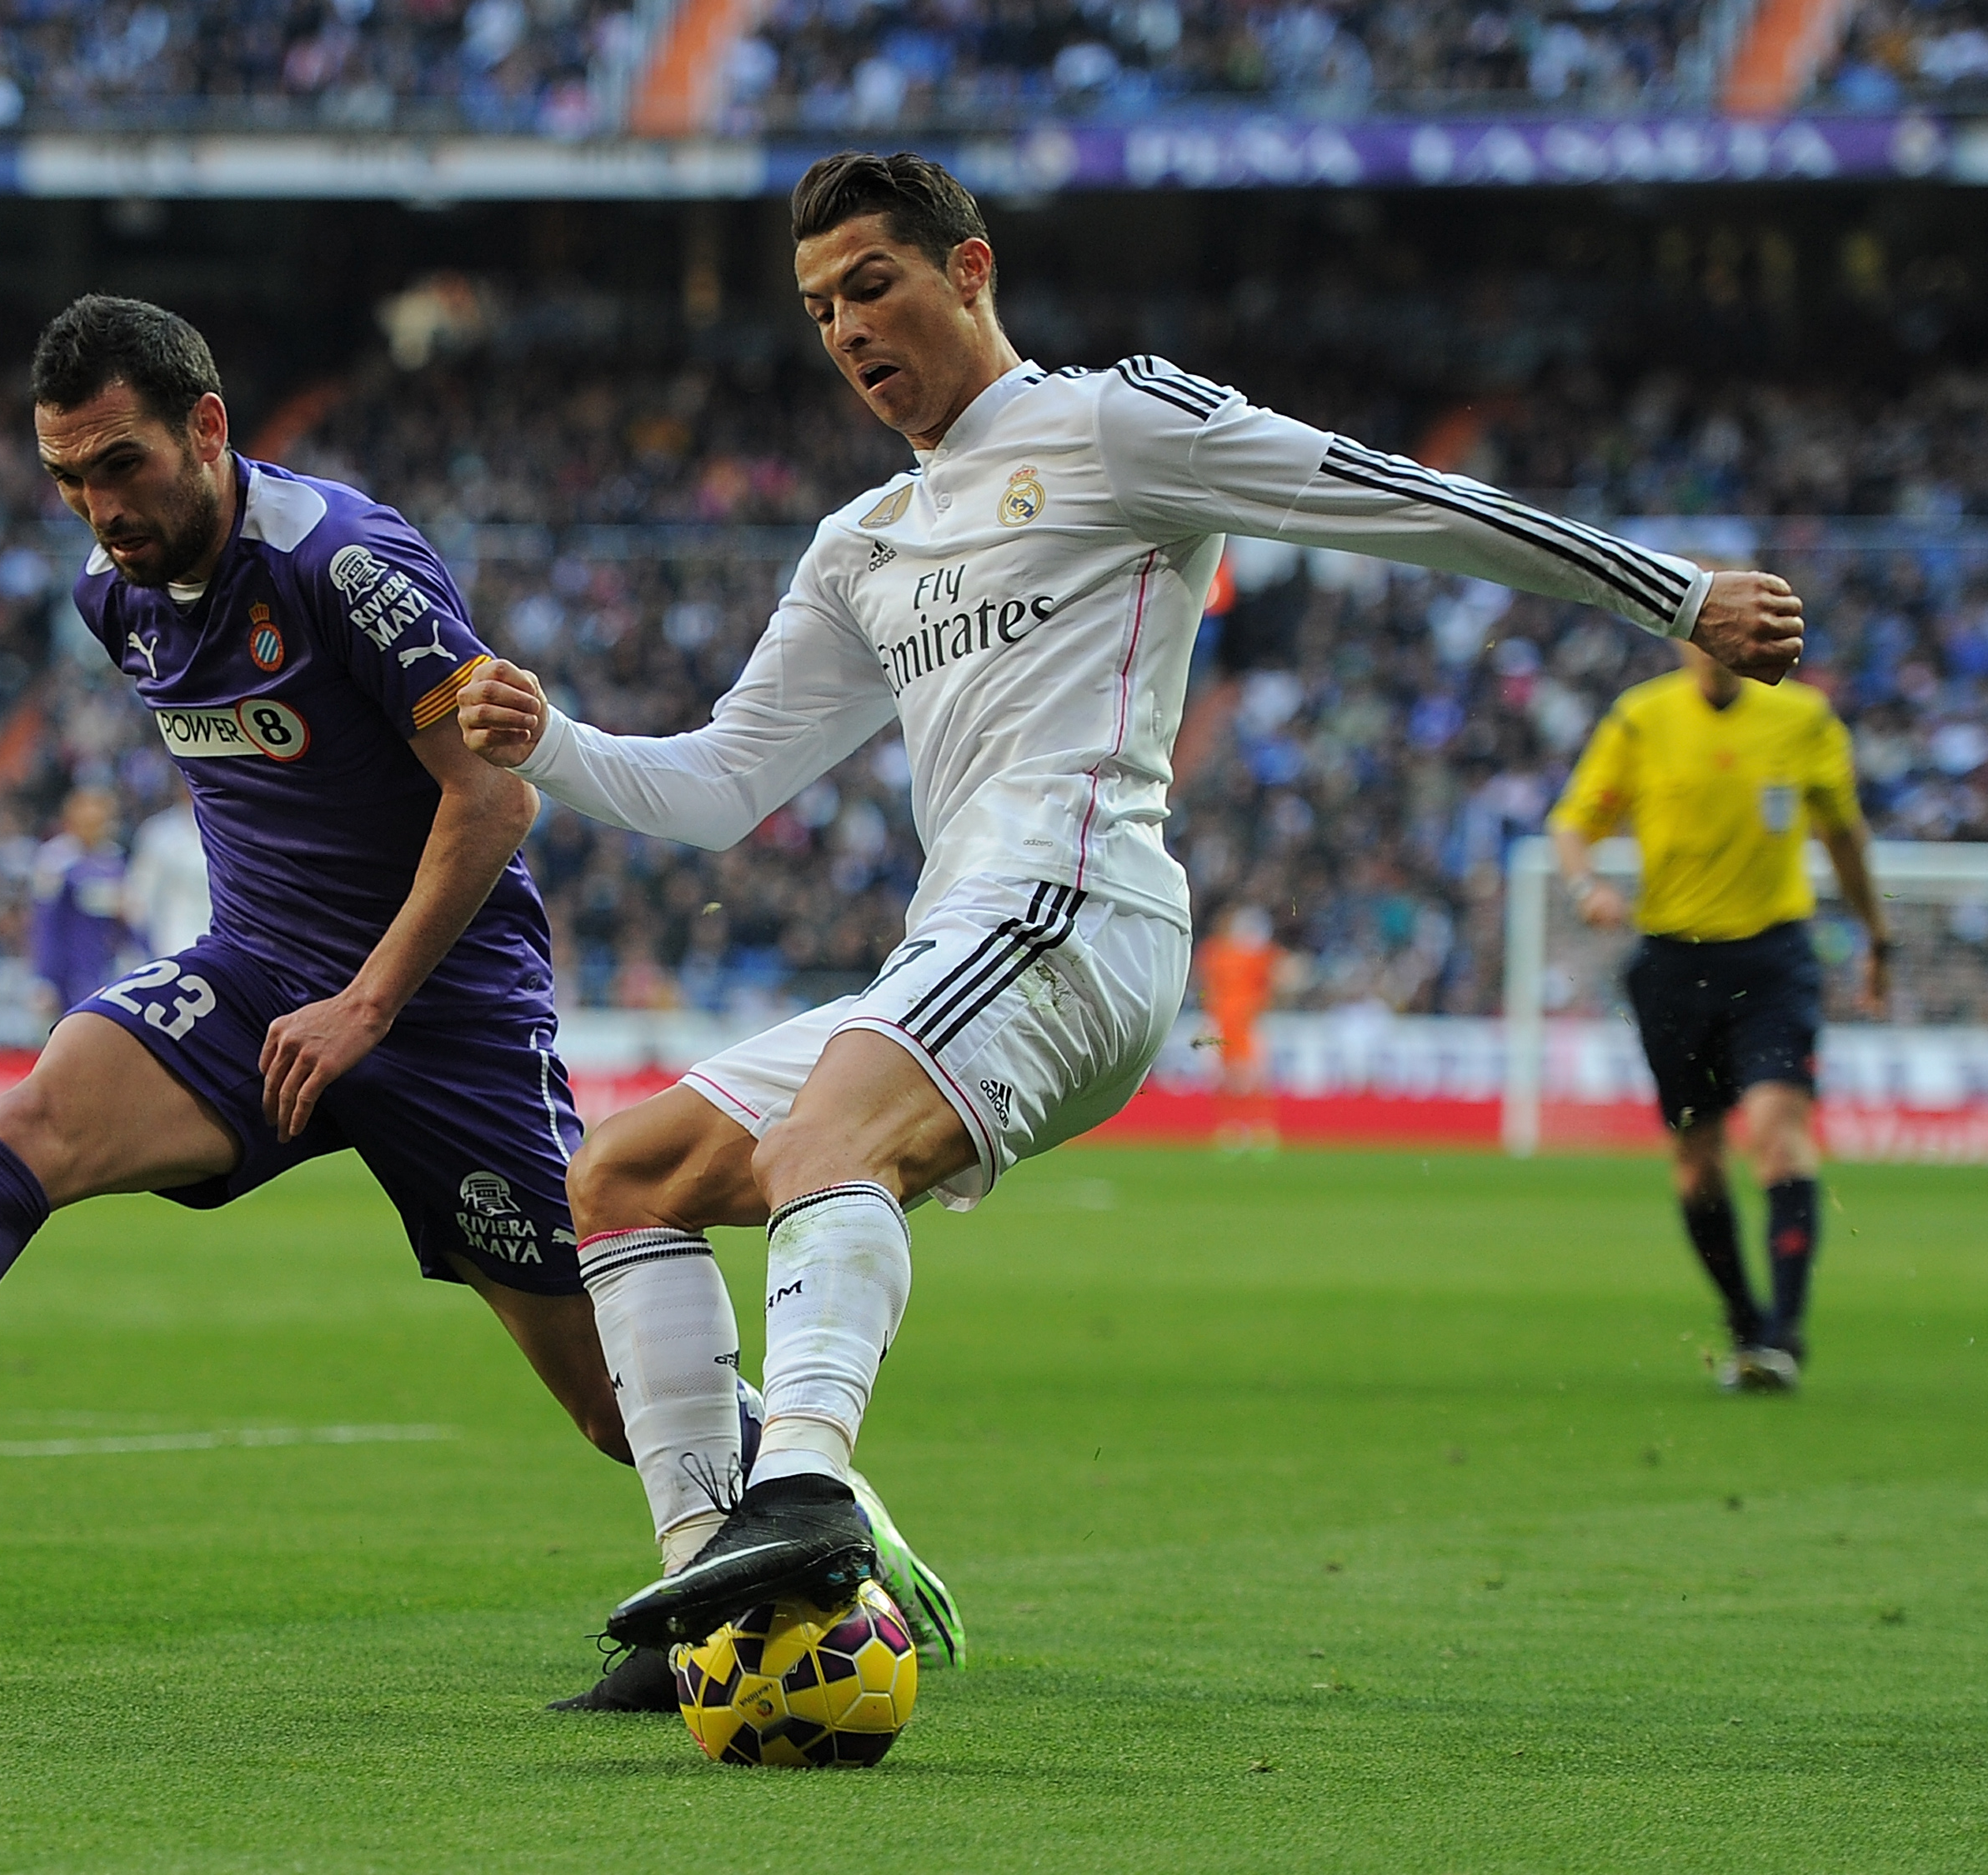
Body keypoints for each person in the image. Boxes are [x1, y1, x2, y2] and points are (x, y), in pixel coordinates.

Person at [457, 150, 1810, 1652]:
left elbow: (1392, 496)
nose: (844, 330)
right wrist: (554, 743)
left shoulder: (1114, 422)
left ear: (969, 270)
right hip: (963, 936)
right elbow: (720, 787)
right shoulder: (862, 545)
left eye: (872, 285)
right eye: (821, 305)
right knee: (622, 1177)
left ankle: (810, 1490)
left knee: (828, 1132)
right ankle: (710, 1592)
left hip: (1081, 905)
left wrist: (1673, 592)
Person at [0, 293, 947, 1720]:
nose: (98, 509)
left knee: (616, 1402)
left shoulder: (346, 565)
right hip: (252, 987)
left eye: (121, 465)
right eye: (67, 479)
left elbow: (495, 801)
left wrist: (366, 1003)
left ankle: (840, 1527)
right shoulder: (112, 601)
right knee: (41, 1115)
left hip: (446, 1021)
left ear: (209, 428)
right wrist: (298, 981)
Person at [1550, 637, 1886, 1392]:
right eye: (1704, 630)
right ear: (1680, 636)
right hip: (1673, 965)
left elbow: (1843, 836)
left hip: (1772, 960)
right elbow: (1573, 823)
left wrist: (1879, 934)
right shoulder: (1642, 719)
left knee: (1777, 1134)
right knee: (1698, 1160)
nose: (1719, 647)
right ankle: (1745, 1319)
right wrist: (1585, 888)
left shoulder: (1803, 719)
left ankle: (1783, 1337)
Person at [31, 785, 134, 1014]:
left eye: (101, 822)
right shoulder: (55, 861)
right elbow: (45, 922)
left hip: (104, 966)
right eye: (89, 822)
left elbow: (126, 921)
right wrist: (44, 978)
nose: (96, 828)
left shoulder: (114, 860)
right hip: (66, 968)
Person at [1195, 903, 1287, 1153]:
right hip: (1221, 1022)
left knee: (1254, 1075)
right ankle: (1230, 1127)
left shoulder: (1257, 955)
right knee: (1224, 1076)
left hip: (1247, 1022)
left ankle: (1260, 1126)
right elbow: (1207, 984)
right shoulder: (1214, 951)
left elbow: (1276, 976)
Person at [124, 777, 213, 960]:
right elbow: (139, 898)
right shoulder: (159, 833)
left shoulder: (231, 831)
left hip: (222, 948)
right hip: (172, 947)